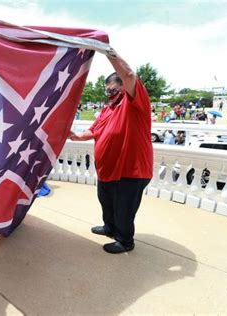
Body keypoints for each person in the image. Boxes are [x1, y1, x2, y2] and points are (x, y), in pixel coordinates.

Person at [69, 47, 153, 254]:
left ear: (124, 87)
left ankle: (125, 241)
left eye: (113, 90)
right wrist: (74, 135)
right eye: (107, 91)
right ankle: (110, 228)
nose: (109, 94)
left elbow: (129, 74)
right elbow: (93, 130)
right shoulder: (108, 109)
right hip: (107, 170)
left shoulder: (135, 102)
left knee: (124, 209)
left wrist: (107, 51)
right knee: (106, 202)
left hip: (130, 171)